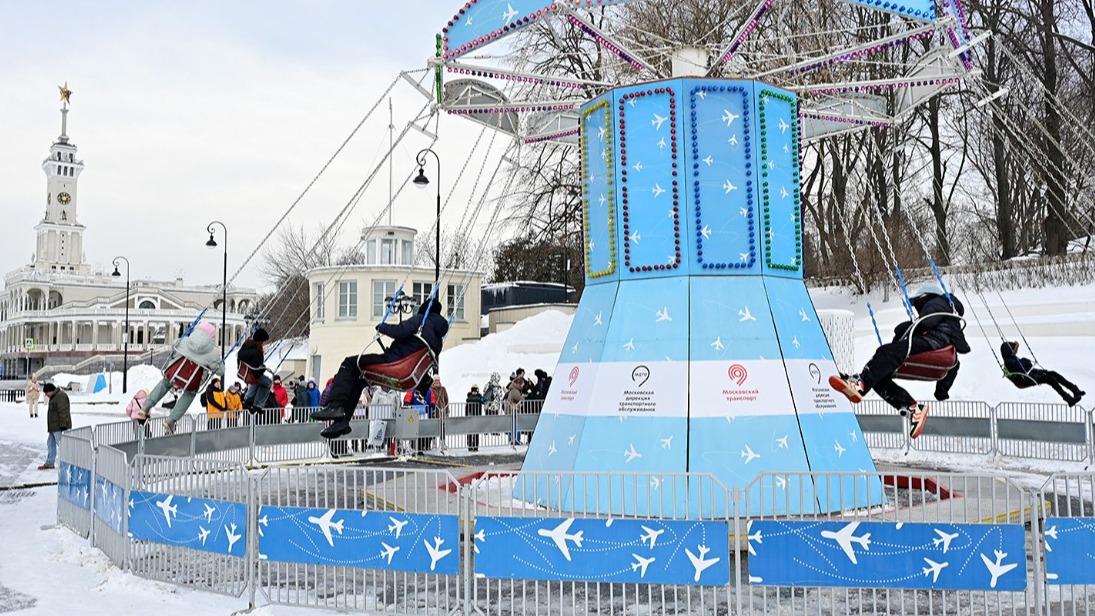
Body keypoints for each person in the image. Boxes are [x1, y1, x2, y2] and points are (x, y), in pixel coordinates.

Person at [830, 285, 970, 439]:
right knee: (879, 376)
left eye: (917, 302)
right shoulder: (951, 323)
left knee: (885, 352)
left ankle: (860, 383)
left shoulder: (938, 302)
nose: (916, 306)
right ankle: (912, 408)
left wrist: (907, 329)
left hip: (933, 343)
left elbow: (926, 322)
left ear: (926, 297)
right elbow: (954, 365)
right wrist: (942, 390)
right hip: (940, 351)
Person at [311, 301, 449, 439]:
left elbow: (400, 331)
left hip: (395, 362)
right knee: (360, 378)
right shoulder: (437, 340)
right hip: (408, 372)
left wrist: (382, 327)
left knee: (349, 364)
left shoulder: (423, 321)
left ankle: (335, 406)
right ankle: (342, 421)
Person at [139, 321, 225, 434]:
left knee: (165, 383)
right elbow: (221, 371)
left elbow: (173, 345)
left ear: (197, 330)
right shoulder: (213, 354)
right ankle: (171, 420)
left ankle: (146, 406)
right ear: (212, 337)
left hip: (174, 373)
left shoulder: (184, 341)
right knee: (189, 394)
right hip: (191, 382)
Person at [1000, 341, 1085, 405]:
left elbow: (1025, 366)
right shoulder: (1009, 362)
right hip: (1027, 379)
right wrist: (1026, 361)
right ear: (1009, 351)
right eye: (1014, 350)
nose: (1015, 352)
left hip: (1030, 375)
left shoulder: (1012, 358)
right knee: (1051, 379)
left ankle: (1074, 390)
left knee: (1053, 373)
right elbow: (1026, 367)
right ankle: (1068, 398)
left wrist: (1038, 369)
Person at [237, 328, 273, 419]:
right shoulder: (257, 352)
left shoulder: (246, 346)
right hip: (252, 374)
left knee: (259, 382)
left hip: (244, 373)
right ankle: (258, 404)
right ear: (261, 341)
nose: (264, 344)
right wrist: (263, 368)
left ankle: (248, 399)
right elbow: (256, 372)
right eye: (264, 342)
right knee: (268, 383)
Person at [39, 383, 71, 470]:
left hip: (59, 427)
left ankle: (67, 464)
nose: (46, 395)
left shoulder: (60, 396)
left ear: (51, 391)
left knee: (62, 445)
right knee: (50, 443)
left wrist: (63, 425)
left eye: (46, 393)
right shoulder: (54, 397)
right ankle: (50, 463)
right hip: (54, 427)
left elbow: (63, 411)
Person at [465, 384, 483, 452]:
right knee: (469, 432)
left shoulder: (480, 397)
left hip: (477, 416)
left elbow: (484, 400)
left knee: (476, 432)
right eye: (473, 391)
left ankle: (475, 446)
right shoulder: (469, 397)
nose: (474, 392)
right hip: (470, 416)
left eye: (475, 391)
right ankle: (470, 446)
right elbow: (469, 401)